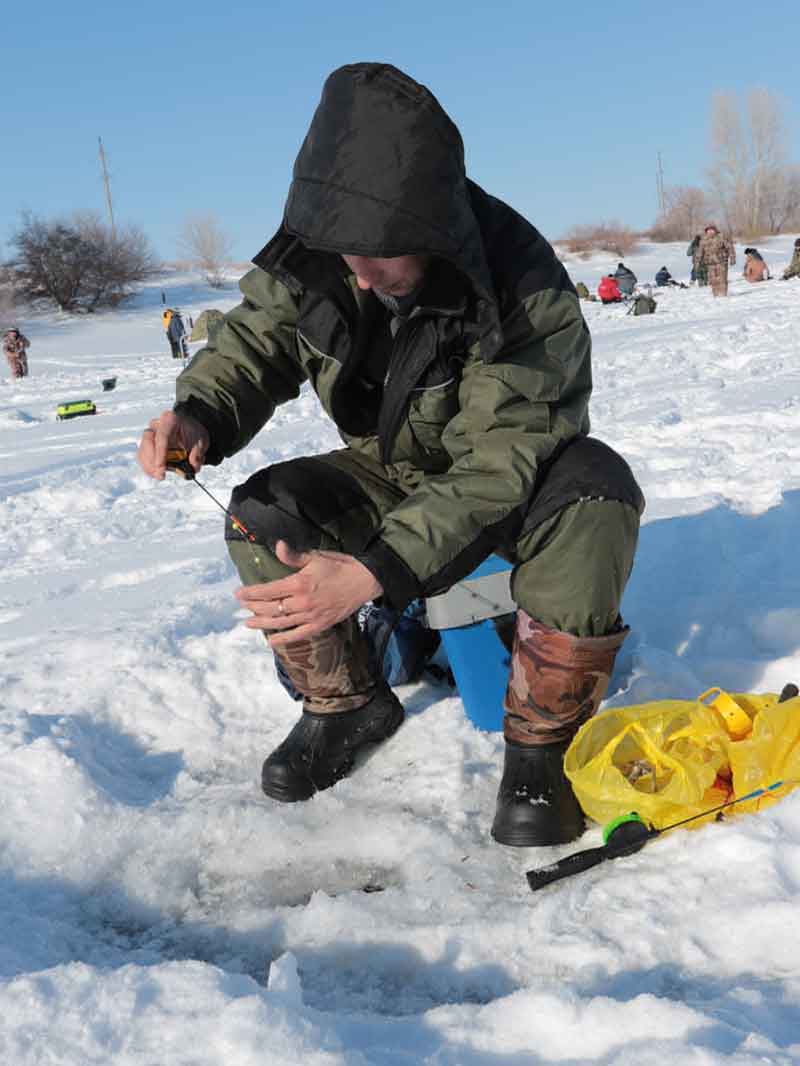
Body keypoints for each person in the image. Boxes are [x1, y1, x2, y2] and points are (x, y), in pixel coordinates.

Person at [137, 63, 644, 849]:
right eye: (348, 255)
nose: (362, 277)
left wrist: (374, 571)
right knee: (263, 515)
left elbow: (496, 467)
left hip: (515, 485)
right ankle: (347, 706)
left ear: (435, 228)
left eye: (381, 255)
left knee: (598, 495)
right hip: (389, 467)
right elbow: (253, 340)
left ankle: (544, 743)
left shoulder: (523, 289)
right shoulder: (325, 256)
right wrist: (199, 413)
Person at [698, 224, 736, 297]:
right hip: (710, 263)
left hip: (721, 262)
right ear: (706, 231)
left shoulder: (721, 237)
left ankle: (723, 294)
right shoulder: (703, 240)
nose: (710, 232)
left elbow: (730, 247)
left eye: (712, 230)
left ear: (715, 230)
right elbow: (700, 252)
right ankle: (715, 294)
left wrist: (732, 258)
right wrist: (698, 262)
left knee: (722, 279)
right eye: (708, 230)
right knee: (713, 280)